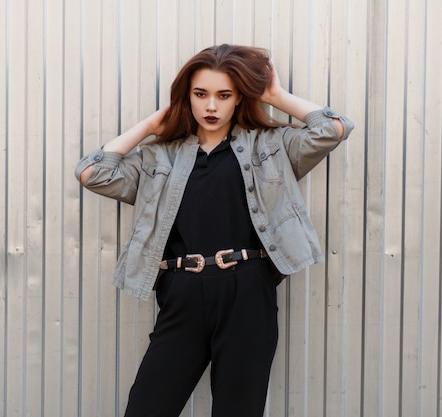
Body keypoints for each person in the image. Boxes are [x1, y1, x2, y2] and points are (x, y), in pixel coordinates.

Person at [75, 44, 353, 417]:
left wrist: (275, 95)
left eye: (224, 95)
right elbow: (93, 173)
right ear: (186, 97)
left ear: (239, 98)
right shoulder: (161, 156)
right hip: (182, 292)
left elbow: (333, 129)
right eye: (200, 94)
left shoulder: (269, 146)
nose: (211, 106)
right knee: (146, 408)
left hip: (247, 291)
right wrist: (150, 127)